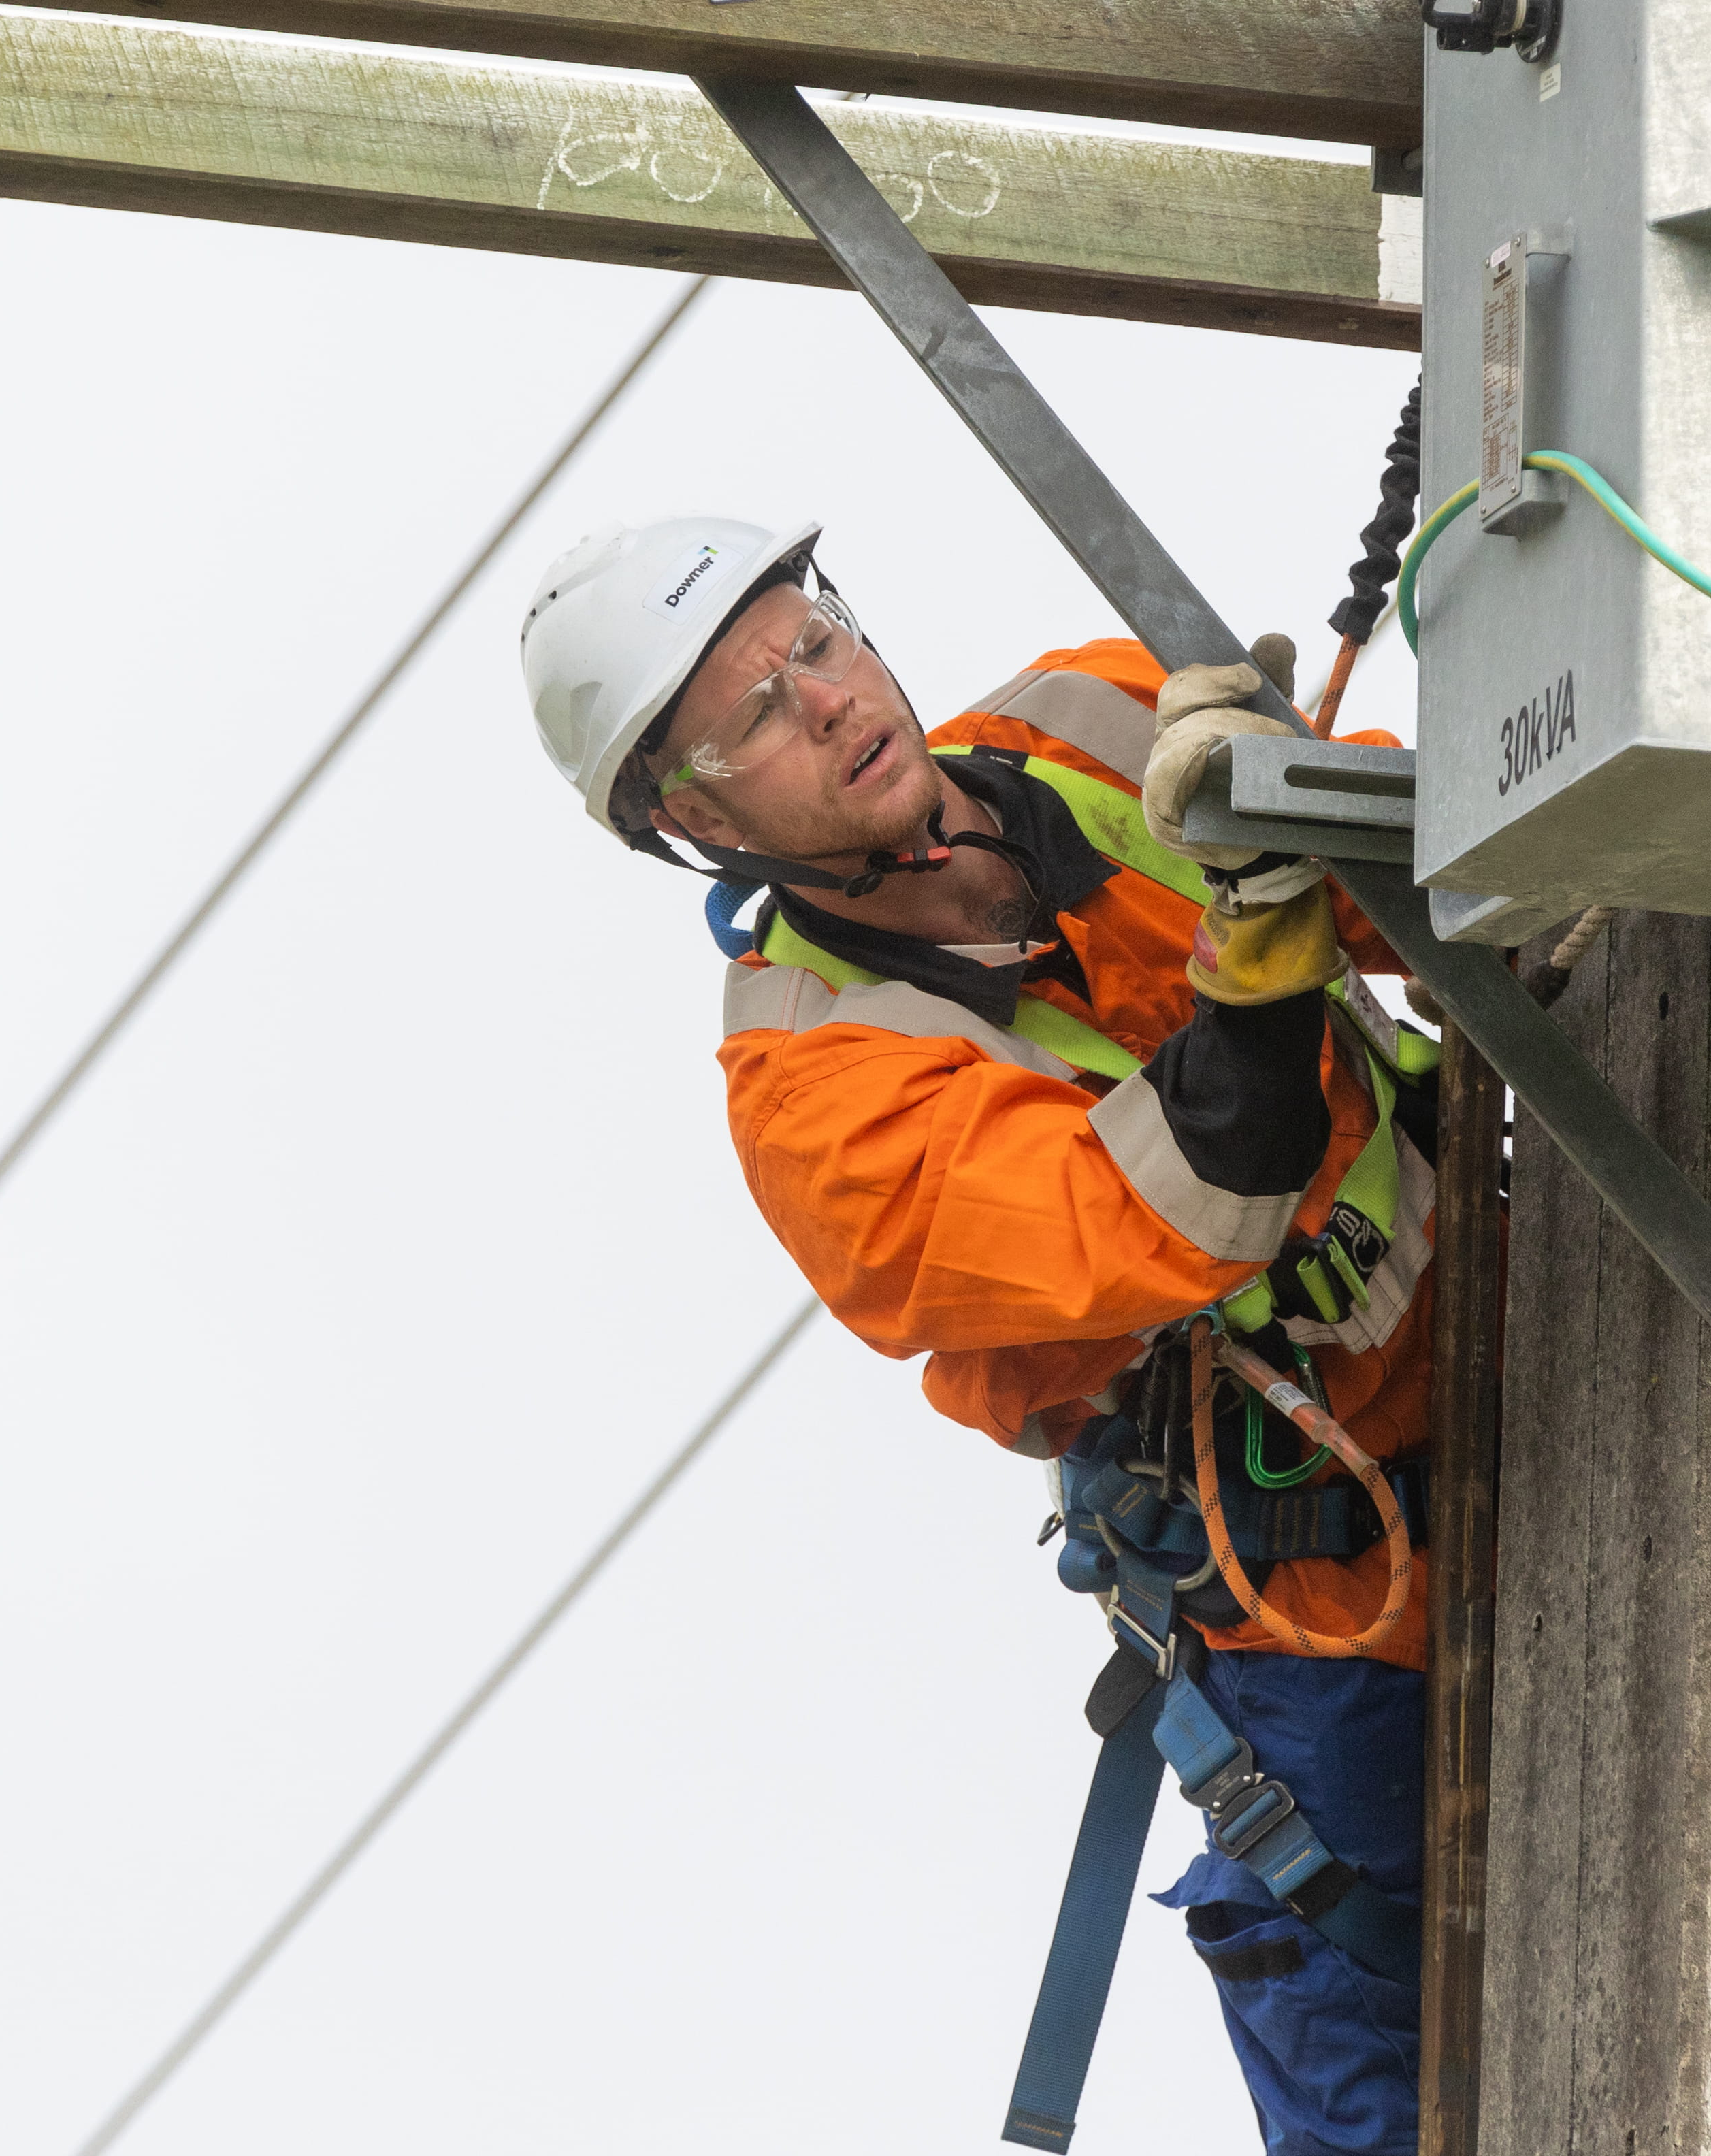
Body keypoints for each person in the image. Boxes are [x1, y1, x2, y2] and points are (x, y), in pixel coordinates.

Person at [520, 518, 1444, 2156]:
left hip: (1538, 1355)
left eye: (813, 641)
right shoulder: (819, 1101)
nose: (822, 701)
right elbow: (1190, 1204)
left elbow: (1454, 878)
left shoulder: (1094, 721)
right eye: (749, 716)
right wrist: (1258, 923)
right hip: (1331, 1618)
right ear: (692, 818)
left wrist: (1306, 797)